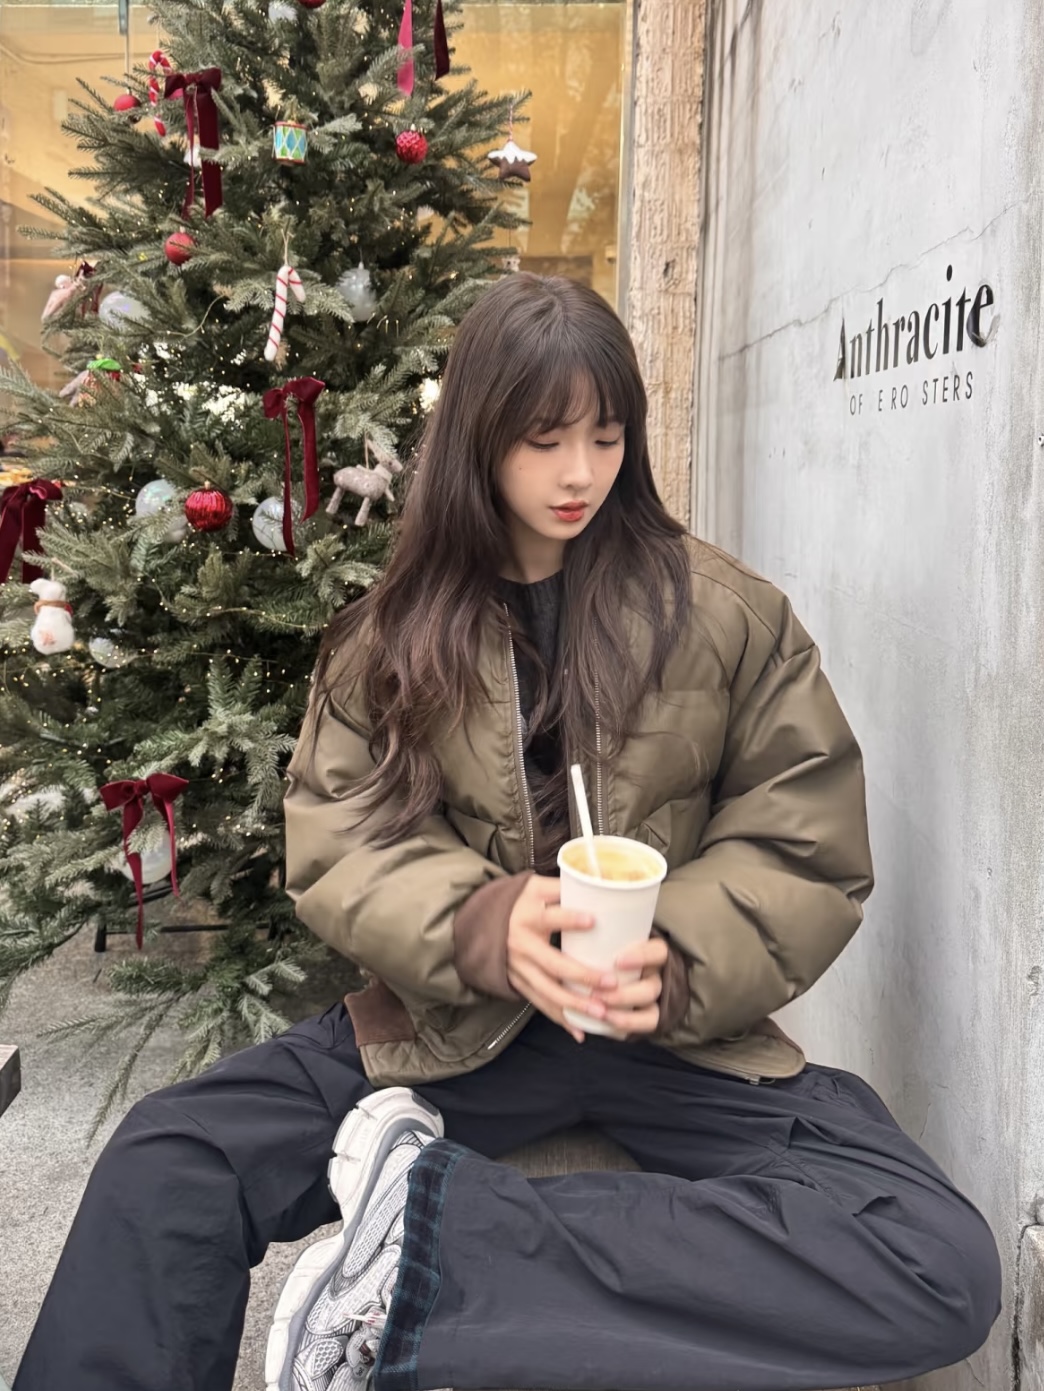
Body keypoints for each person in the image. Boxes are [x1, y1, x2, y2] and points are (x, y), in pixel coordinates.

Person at [15, 275, 1000, 1391]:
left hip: (674, 1035)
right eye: (544, 439)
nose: (580, 472)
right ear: (479, 437)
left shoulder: (730, 616)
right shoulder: (388, 634)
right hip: (450, 1028)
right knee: (170, 1159)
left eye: (606, 436)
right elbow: (341, 833)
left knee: (934, 1256)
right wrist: (483, 924)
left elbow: (803, 836)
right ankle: (426, 1247)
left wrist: (674, 952)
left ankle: (421, 1256)